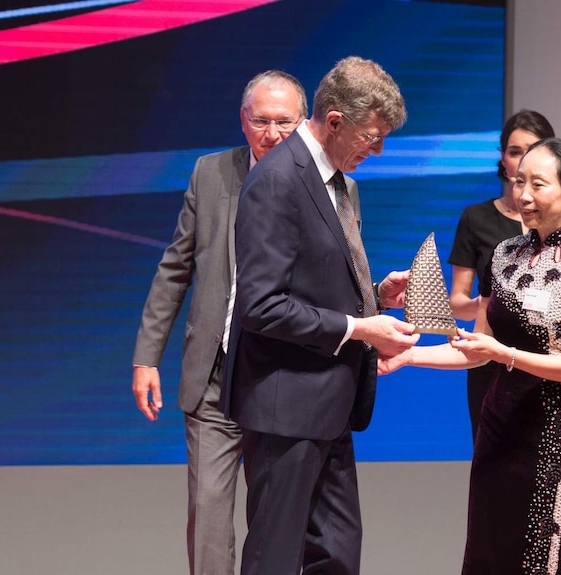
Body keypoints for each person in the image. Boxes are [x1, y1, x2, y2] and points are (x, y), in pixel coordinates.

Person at [221, 56, 420, 575]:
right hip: (286, 406)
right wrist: (360, 328)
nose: (376, 152)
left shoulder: (336, 182)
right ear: (334, 121)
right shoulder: (277, 180)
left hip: (329, 404)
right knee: (275, 556)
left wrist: (375, 295)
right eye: (371, 137)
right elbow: (262, 305)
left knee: (336, 553)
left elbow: (313, 279)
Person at [381, 137, 561, 575]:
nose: (523, 195)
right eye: (519, 180)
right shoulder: (503, 255)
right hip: (499, 422)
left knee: (544, 558)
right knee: (490, 553)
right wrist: (409, 357)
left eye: (538, 185)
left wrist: (503, 352)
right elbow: (477, 351)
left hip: (553, 428)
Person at [131, 70, 308, 575]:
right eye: (261, 121)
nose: (272, 134)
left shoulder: (327, 185)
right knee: (208, 512)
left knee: (273, 521)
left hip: (282, 380)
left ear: (305, 123)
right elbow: (174, 268)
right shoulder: (210, 174)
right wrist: (147, 357)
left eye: (284, 122)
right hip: (212, 375)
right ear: (242, 119)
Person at [448, 109, 557, 442]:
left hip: (549, 363)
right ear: (503, 159)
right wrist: (491, 304)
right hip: (492, 362)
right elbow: (458, 301)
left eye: (534, 149)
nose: (523, 160)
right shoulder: (476, 218)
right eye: (514, 151)